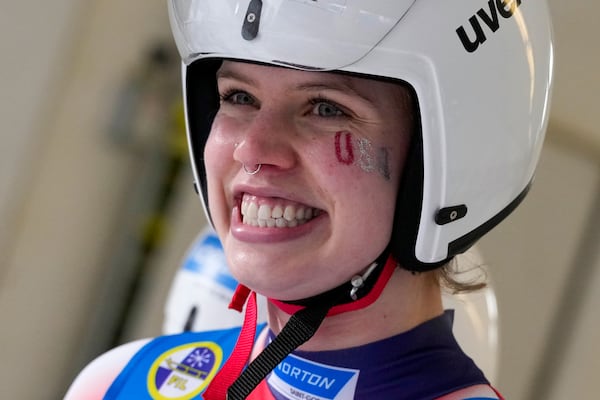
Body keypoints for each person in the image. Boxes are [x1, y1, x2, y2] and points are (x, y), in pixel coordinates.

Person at [65, 1, 553, 399]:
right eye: (239, 97)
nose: (252, 150)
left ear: (449, 158)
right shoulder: (117, 383)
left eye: (326, 107)